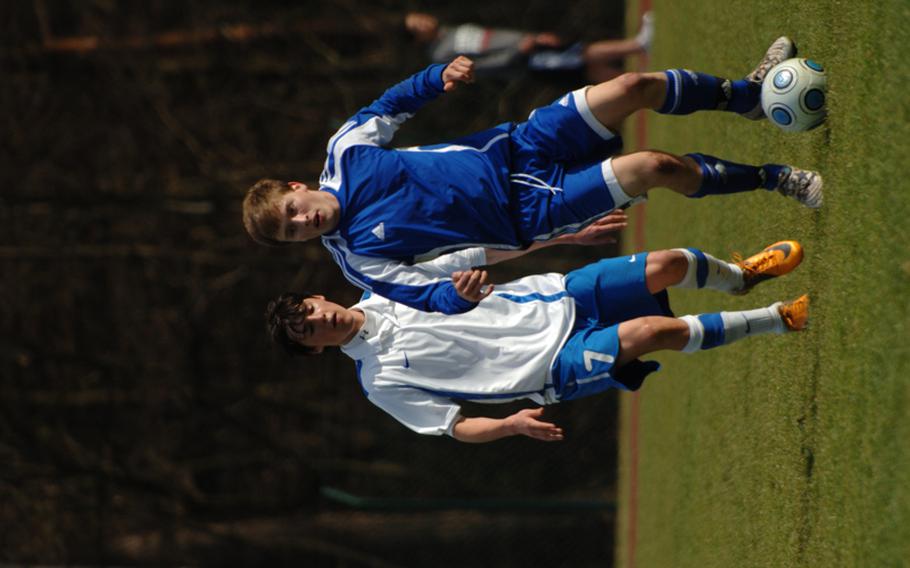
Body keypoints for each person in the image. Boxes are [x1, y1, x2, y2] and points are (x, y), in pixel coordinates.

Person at [243, 37, 823, 315]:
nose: (306, 222)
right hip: (529, 212)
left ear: (297, 187)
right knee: (654, 167)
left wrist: (435, 76)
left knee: (631, 87)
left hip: (516, 145)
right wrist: (459, 293)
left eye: (295, 212)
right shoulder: (358, 261)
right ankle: (778, 178)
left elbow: (387, 108)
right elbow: (423, 295)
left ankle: (750, 96)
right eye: (296, 233)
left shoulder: (344, 152)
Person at [264, 240, 809, 442]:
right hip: (551, 368)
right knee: (653, 333)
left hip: (558, 296)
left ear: (319, 296)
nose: (319, 320)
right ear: (315, 349)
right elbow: (452, 425)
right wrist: (510, 423)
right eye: (309, 331)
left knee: (667, 263)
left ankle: (743, 277)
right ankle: (777, 318)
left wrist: (565, 234)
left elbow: (475, 254)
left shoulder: (388, 288)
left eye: (310, 311)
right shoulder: (380, 382)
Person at [403, 11, 654, 83]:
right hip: (526, 61)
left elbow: (500, 36)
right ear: (416, 40)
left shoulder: (450, 29)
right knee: (583, 60)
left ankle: (640, 61)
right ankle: (639, 53)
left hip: (530, 46)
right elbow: (481, 66)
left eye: (419, 17)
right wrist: (519, 51)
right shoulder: (441, 54)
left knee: (582, 56)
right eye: (418, 26)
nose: (424, 21)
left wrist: (533, 36)